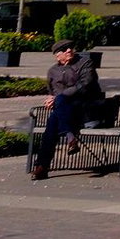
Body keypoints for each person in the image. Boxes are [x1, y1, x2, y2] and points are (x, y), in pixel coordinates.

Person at [30, 40, 106, 181]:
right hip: (66, 111)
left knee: (56, 111)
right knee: (52, 124)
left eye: (71, 47)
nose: (69, 50)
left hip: (86, 108)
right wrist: (52, 99)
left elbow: (85, 85)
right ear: (57, 56)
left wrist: (58, 97)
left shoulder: (85, 63)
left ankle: (42, 165)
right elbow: (52, 92)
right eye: (64, 49)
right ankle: (69, 140)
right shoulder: (52, 71)